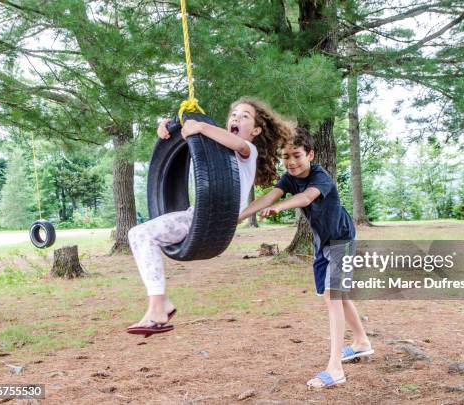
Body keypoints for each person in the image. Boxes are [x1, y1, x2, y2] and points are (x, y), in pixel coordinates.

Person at [127, 97, 292, 337]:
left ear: (255, 130)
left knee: (141, 234)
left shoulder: (248, 150)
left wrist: (201, 126)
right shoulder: (216, 150)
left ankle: (158, 308)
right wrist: (167, 129)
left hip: (212, 217)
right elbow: (183, 135)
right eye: (233, 114)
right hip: (200, 216)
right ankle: (161, 305)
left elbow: (237, 144)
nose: (236, 117)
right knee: (140, 235)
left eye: (245, 116)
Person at [238, 128, 373, 388]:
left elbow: (306, 197)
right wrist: (239, 217)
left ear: (310, 154)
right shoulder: (289, 177)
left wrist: (280, 207)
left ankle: (334, 369)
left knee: (333, 297)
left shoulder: (321, 177)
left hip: (341, 239)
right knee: (337, 295)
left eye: (297, 155)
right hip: (321, 242)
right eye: (286, 156)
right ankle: (361, 342)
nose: (291, 162)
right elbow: (269, 196)